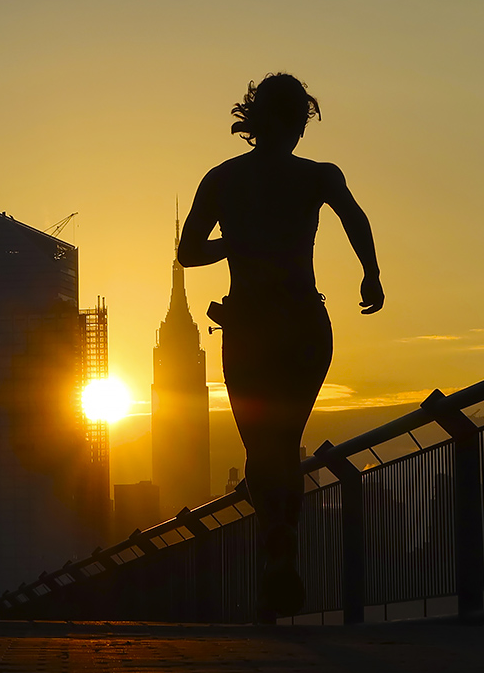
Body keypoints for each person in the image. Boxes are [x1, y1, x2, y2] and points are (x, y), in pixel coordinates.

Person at [177, 73, 384, 621]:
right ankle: (282, 539)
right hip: (303, 321)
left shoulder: (223, 179)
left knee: (261, 450)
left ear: (253, 118)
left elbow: (189, 251)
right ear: (297, 123)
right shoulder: (318, 176)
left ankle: (275, 545)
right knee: (285, 440)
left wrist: (235, 243)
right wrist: (371, 275)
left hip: (249, 327)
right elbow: (355, 219)